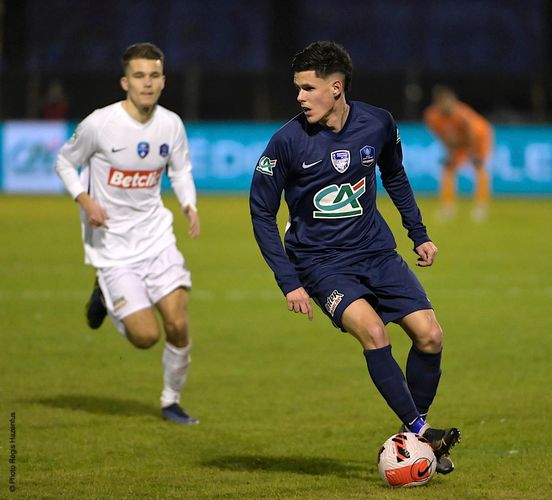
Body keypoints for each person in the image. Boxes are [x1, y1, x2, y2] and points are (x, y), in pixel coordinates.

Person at [249, 41, 460, 474]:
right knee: (373, 330)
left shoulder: (378, 123)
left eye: (308, 88)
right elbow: (260, 212)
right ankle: (422, 432)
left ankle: (413, 437)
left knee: (431, 336)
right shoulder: (286, 142)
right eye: (298, 89)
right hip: (320, 263)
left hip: (376, 252)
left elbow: (395, 174)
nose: (300, 97)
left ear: (337, 88)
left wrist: (417, 234)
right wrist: (288, 280)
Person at [55, 42, 200, 425]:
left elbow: (180, 170)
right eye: (139, 76)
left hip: (156, 236)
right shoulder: (100, 124)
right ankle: (105, 291)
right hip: (113, 247)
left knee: (178, 322)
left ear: (163, 81)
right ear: (125, 81)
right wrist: (85, 200)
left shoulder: (171, 124)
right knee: (145, 336)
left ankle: (172, 400)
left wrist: (189, 203)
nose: (147, 83)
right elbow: (64, 161)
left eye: (154, 76)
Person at [424, 85, 493, 221]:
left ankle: (481, 207)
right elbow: (442, 136)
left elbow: (471, 135)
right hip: (458, 142)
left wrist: (475, 155)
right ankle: (448, 207)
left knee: (479, 168)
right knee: (448, 169)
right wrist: (450, 153)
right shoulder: (432, 116)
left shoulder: (462, 115)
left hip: (479, 137)